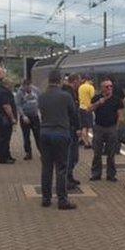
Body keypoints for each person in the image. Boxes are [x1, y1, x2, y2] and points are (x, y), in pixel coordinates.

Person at [38, 70, 79, 210]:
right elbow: (73, 114)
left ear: (49, 80)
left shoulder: (42, 96)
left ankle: (46, 198)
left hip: (44, 134)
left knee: (46, 167)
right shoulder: (66, 96)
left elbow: (42, 114)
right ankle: (62, 200)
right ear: (60, 80)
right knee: (61, 168)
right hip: (61, 134)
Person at [88, 78, 124, 182]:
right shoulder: (96, 98)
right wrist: (98, 103)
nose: (109, 88)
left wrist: (116, 128)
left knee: (111, 153)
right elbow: (89, 109)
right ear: (102, 88)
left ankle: (111, 175)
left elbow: (120, 116)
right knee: (97, 152)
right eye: (107, 86)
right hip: (99, 127)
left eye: (111, 86)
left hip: (111, 128)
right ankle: (96, 174)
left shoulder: (117, 100)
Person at [61, 73, 81, 188]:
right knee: (71, 155)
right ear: (74, 81)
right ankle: (67, 179)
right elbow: (73, 113)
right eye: (79, 82)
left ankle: (69, 176)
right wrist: (78, 127)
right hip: (70, 128)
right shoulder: (68, 94)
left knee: (73, 155)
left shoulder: (68, 92)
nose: (80, 84)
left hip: (69, 128)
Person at [0, 77, 17, 164]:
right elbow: (6, 106)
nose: (12, 87)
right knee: (5, 138)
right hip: (4, 119)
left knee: (3, 137)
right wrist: (12, 118)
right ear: (7, 85)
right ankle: (3, 158)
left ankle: (7, 155)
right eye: (11, 85)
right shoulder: (5, 93)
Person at [15, 79, 41, 160]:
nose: (28, 88)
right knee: (26, 136)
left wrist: (40, 112)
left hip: (35, 116)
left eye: (29, 86)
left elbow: (40, 101)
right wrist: (23, 116)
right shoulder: (20, 93)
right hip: (25, 117)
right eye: (26, 87)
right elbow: (18, 105)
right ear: (23, 86)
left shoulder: (36, 90)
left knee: (38, 135)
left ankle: (42, 152)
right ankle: (28, 152)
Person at [77, 74, 95, 149]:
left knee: (84, 127)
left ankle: (86, 142)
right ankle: (90, 143)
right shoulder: (91, 87)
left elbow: (79, 97)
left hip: (81, 108)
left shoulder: (80, 87)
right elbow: (93, 98)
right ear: (90, 80)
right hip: (88, 109)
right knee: (90, 127)